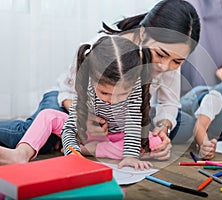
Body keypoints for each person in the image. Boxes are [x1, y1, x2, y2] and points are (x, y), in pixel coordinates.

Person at [0, 0, 200, 160]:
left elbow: (169, 102)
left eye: (177, 61)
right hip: (67, 99)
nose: (165, 66)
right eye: (161, 54)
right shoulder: (102, 49)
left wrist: (163, 128)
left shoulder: (169, 60)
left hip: (113, 115)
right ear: (142, 33)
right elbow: (68, 93)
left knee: (176, 125)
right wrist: (84, 118)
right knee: (36, 136)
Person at [0, 35, 157, 169]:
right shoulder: (87, 85)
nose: (111, 100)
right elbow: (70, 126)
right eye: (105, 93)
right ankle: (21, 154)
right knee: (48, 115)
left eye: (121, 94)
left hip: (118, 136)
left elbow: (134, 124)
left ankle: (90, 149)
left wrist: (130, 156)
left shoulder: (135, 86)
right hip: (87, 131)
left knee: (152, 142)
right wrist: (73, 151)